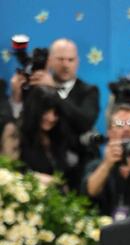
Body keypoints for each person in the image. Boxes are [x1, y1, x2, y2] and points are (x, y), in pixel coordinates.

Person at [10, 38, 99, 180]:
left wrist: (55, 91)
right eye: (61, 59)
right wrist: (16, 97)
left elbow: (84, 122)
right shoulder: (36, 87)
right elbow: (21, 124)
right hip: (38, 161)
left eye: (70, 60)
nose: (65, 65)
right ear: (50, 60)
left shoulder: (89, 91)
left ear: (78, 62)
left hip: (77, 166)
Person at [83, 104, 130, 220]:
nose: (126, 129)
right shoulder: (96, 166)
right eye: (119, 124)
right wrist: (107, 164)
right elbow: (90, 192)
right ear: (109, 132)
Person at [19, 85, 77, 188]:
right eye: (46, 111)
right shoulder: (19, 136)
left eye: (55, 113)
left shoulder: (58, 137)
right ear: (34, 110)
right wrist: (36, 177)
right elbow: (11, 171)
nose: (51, 118)